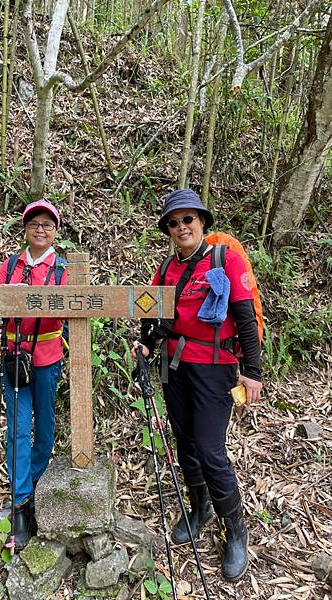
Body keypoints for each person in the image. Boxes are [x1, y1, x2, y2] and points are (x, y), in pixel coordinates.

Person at [132, 189, 262, 581]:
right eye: (174, 222)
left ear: (202, 222)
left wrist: (252, 371)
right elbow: (150, 315)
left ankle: (235, 530)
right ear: (168, 230)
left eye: (188, 219)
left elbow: (244, 317)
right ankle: (199, 508)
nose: (181, 227)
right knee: (185, 442)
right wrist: (144, 343)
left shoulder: (226, 259)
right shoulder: (165, 269)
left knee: (209, 449)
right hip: (175, 366)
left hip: (214, 365)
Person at [0, 199, 67, 549]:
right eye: (35, 224)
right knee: (17, 429)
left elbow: (64, 310)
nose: (40, 230)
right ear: (25, 229)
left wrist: (32, 299)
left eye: (47, 224)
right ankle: (20, 503)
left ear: (55, 231)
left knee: (44, 427)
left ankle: (32, 487)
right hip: (14, 357)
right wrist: (7, 296)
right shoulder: (10, 265)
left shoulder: (62, 270)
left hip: (47, 356)